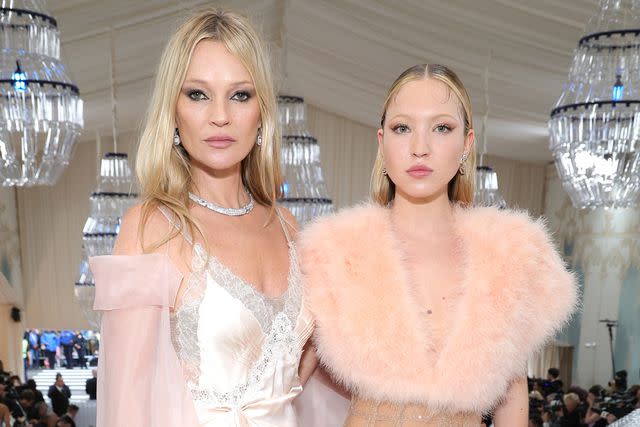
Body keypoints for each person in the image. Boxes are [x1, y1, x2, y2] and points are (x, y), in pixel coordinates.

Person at [299, 64, 578, 425]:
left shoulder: (508, 255)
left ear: (467, 143)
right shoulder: (333, 253)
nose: (420, 147)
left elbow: (511, 394)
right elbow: (295, 378)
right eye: (403, 128)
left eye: (441, 128)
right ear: (382, 142)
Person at [90, 7, 315, 426]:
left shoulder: (290, 228)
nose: (220, 116)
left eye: (240, 94)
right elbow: (126, 405)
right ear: (173, 112)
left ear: (262, 112)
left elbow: (300, 381)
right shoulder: (149, 227)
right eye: (197, 94)